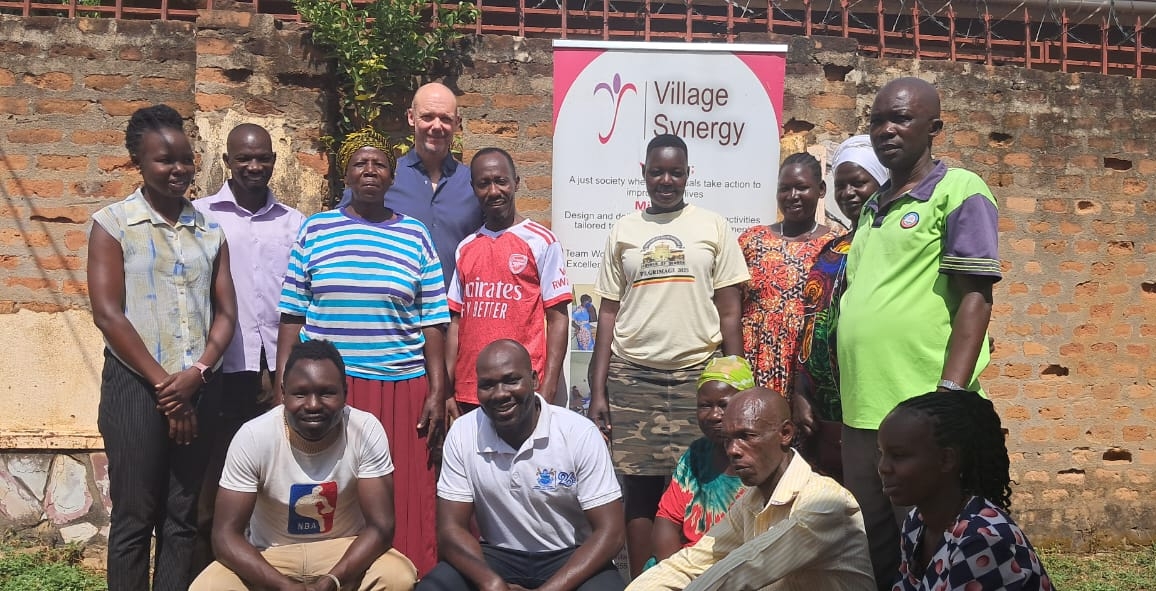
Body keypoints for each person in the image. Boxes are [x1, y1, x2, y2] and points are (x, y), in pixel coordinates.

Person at [838, 77, 1001, 590]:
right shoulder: (870, 209)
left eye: (901, 118)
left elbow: (976, 296)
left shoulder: (959, 190)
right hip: (862, 412)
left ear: (934, 127)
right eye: (877, 121)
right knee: (876, 546)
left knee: (942, 543)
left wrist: (948, 398)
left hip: (923, 410)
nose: (887, 130)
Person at [277, 127, 450, 576]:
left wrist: (437, 390)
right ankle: (327, 576)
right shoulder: (316, 229)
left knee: (407, 495)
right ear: (346, 175)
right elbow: (292, 314)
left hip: (401, 386)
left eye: (379, 164)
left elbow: (433, 321)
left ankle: (407, 577)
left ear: (393, 177)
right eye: (360, 163)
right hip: (330, 393)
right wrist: (283, 381)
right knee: (330, 493)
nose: (370, 171)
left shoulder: (414, 235)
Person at [87, 104, 237, 591]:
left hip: (198, 387)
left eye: (185, 160)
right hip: (135, 388)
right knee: (134, 515)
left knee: (183, 514)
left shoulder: (210, 230)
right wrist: (165, 386)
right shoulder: (113, 225)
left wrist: (197, 374)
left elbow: (226, 314)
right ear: (138, 161)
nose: (178, 170)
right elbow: (109, 313)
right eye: (163, 161)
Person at [588, 133, 749, 578]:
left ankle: (699, 577)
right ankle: (647, 582)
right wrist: (598, 389)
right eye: (657, 171)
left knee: (704, 482)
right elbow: (607, 315)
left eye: (675, 172)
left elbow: (730, 310)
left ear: (687, 175)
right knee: (639, 490)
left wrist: (737, 383)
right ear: (643, 173)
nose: (666, 180)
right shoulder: (624, 230)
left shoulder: (712, 227)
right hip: (633, 378)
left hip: (698, 376)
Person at [191, 339, 418, 591]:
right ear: (283, 392)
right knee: (209, 586)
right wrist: (285, 587)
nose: (312, 405)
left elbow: (381, 527)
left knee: (398, 576)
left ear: (345, 392)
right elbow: (225, 536)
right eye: (300, 393)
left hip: (344, 550)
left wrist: (334, 580)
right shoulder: (254, 436)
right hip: (271, 554)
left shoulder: (365, 429)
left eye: (326, 393)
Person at [419, 340, 626, 591]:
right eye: (487, 385)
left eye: (511, 380)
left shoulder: (578, 433)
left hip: (569, 556)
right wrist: (491, 583)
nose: (500, 393)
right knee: (434, 587)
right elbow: (450, 530)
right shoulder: (463, 432)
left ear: (534, 380)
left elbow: (611, 532)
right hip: (496, 555)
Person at [192, 122, 307, 570]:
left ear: (274, 162)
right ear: (227, 162)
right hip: (222, 367)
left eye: (263, 158)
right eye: (244, 159)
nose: (254, 166)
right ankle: (207, 573)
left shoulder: (295, 222)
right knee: (212, 482)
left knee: (276, 480)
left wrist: (283, 374)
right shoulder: (202, 215)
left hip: (279, 372)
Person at [627, 388, 873, 590]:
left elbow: (744, 569)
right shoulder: (750, 502)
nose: (733, 450)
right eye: (728, 439)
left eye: (747, 436)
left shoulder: (827, 503)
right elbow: (692, 562)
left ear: (785, 433)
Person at [877, 390, 1052, 590]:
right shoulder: (916, 523)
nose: (883, 467)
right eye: (881, 453)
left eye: (898, 455)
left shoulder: (982, 539)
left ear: (946, 459)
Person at [446, 148, 571, 418]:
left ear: (516, 182)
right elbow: (456, 323)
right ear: (473, 188)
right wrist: (449, 389)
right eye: (483, 183)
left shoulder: (541, 241)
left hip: (522, 390)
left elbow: (558, 317)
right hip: (472, 390)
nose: (493, 191)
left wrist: (548, 386)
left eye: (501, 181)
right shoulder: (465, 247)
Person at [792, 135, 888, 482]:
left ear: (882, 182)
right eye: (841, 185)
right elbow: (810, 327)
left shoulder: (893, 245)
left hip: (879, 403)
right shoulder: (831, 252)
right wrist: (800, 391)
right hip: (826, 413)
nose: (848, 192)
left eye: (859, 183)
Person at [337, 82, 482, 286]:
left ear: (457, 123)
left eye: (445, 119)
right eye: (427, 117)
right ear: (411, 117)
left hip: (457, 313)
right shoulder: (384, 178)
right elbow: (340, 231)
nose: (437, 126)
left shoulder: (474, 184)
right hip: (396, 312)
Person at [739, 152, 844, 396]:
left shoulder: (836, 244)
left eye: (801, 187)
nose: (792, 196)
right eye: (784, 188)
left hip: (809, 363)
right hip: (755, 358)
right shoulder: (751, 240)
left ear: (820, 190)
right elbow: (730, 306)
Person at [647, 355, 753, 569]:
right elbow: (667, 520)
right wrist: (677, 574)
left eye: (724, 405)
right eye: (705, 405)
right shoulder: (696, 454)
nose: (714, 415)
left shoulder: (761, 459)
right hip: (686, 566)